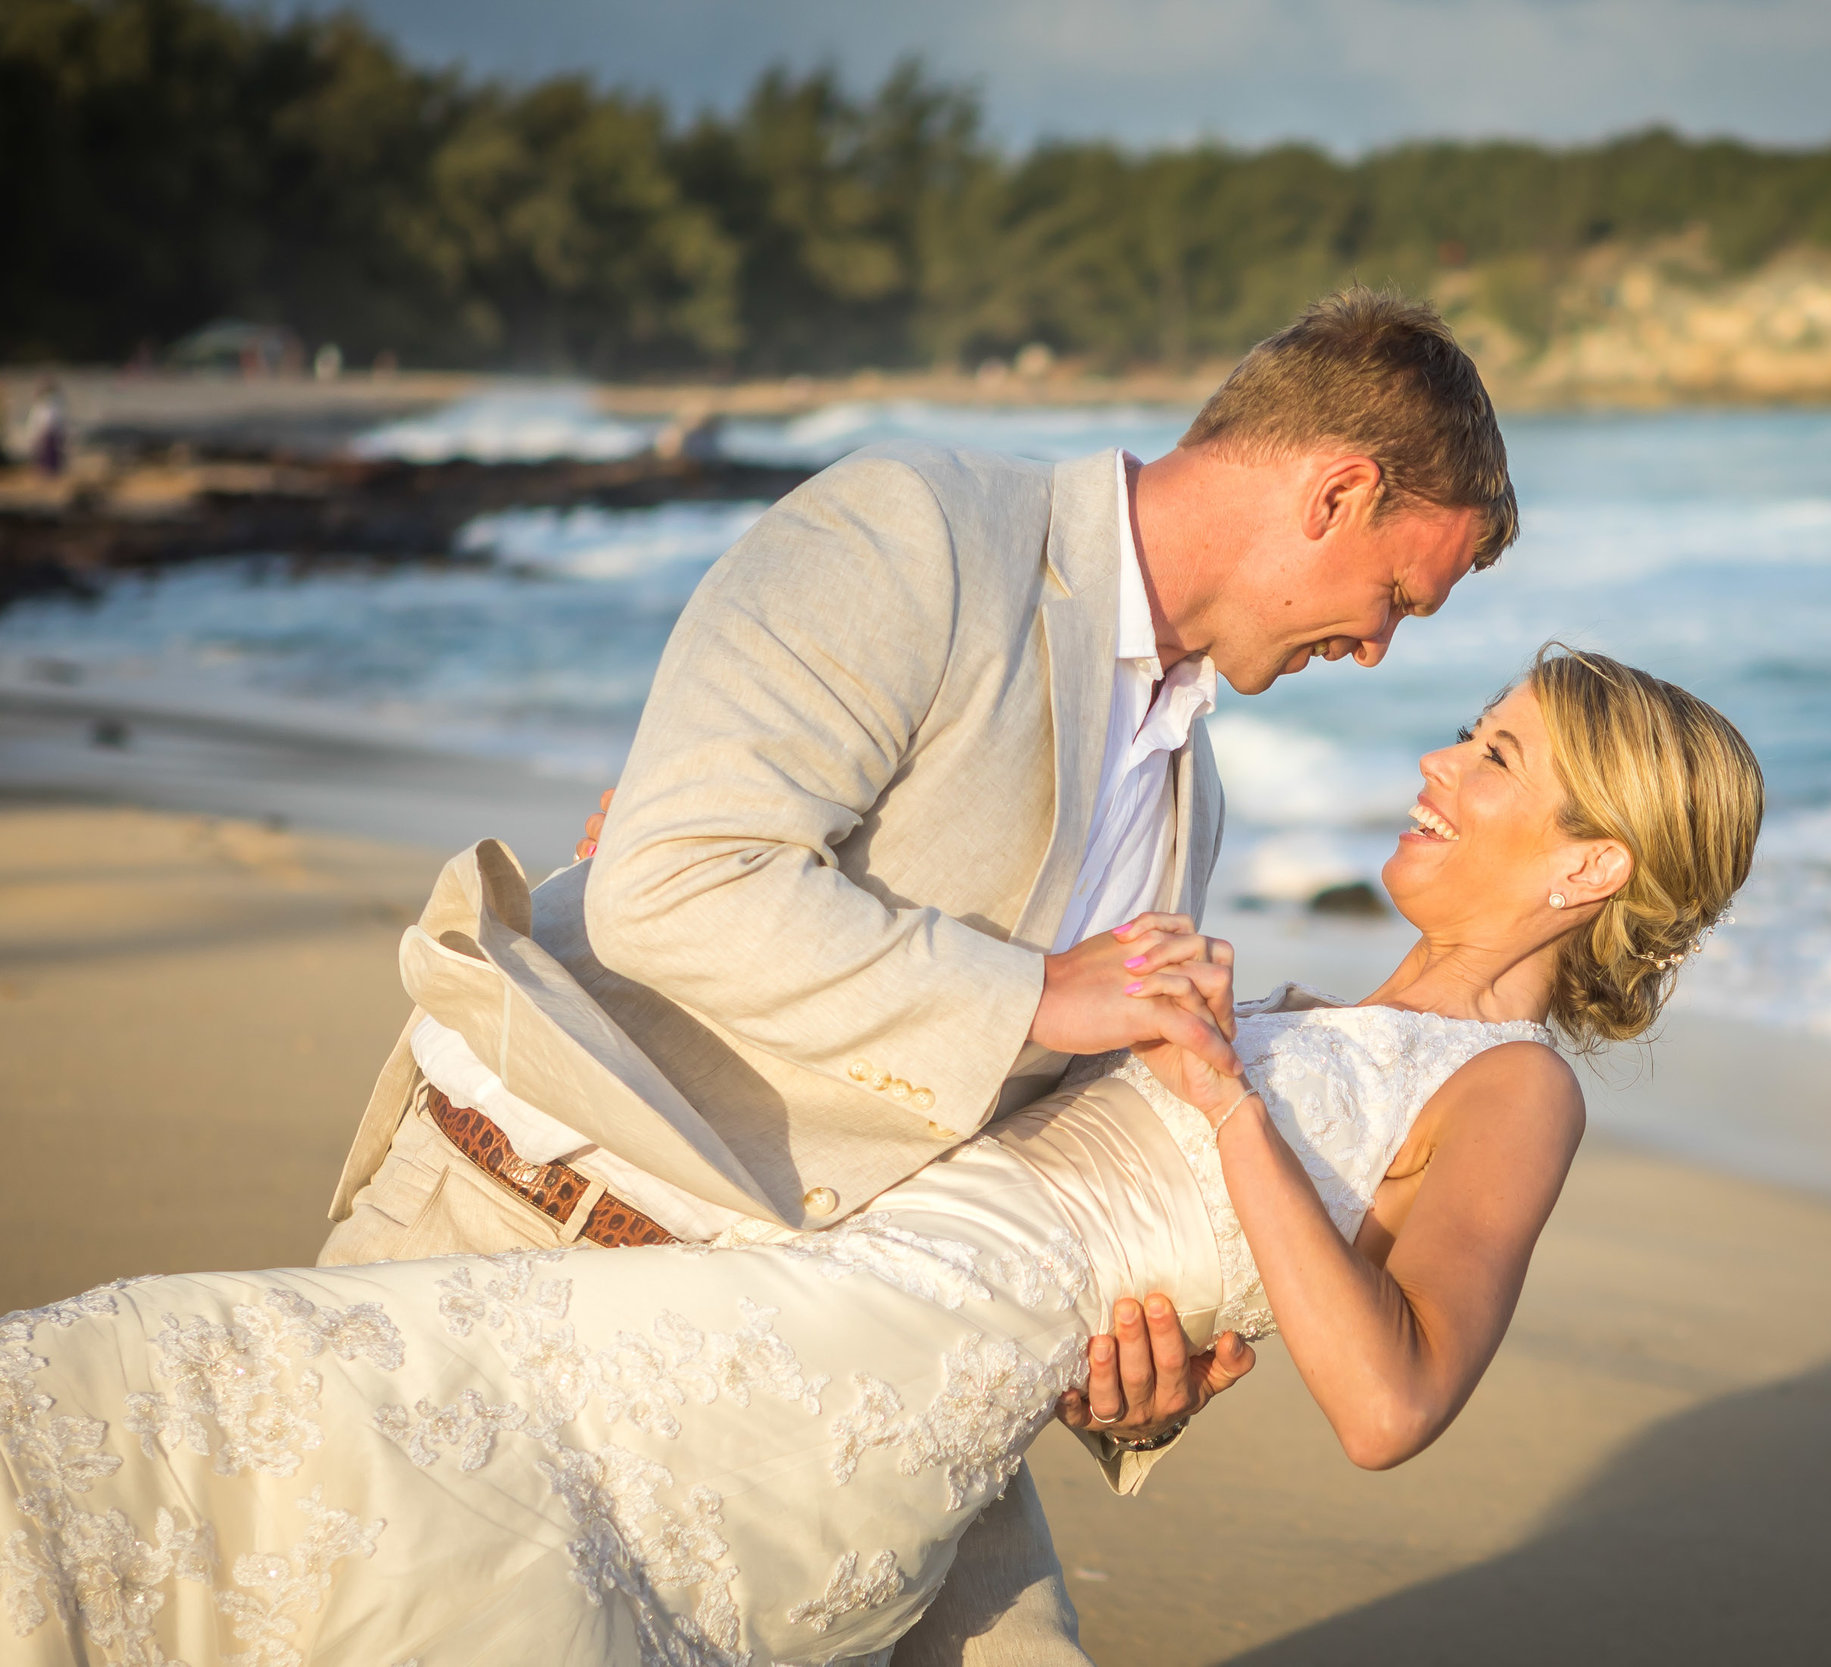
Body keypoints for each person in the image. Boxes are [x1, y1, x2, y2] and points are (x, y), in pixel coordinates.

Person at [0, 648, 1763, 1667]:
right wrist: (684, 868)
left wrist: (1224, 1103)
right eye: (1472, 730)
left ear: (1591, 865)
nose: (1444, 763)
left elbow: (1390, 1403)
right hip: (812, 1292)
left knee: (327, 1416)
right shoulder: (1305, 1006)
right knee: (279, 1407)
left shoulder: (1514, 1088)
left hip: (855, 1373)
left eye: (1500, 755)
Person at [311, 288, 1518, 1665]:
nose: (1376, 650)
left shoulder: (1198, 799)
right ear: (1338, 492)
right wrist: (1040, 996)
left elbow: (1009, 1140)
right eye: (1394, 599)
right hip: (527, 1239)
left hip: (838, 1348)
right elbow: (671, 882)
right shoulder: (920, 533)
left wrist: (1125, 1380)